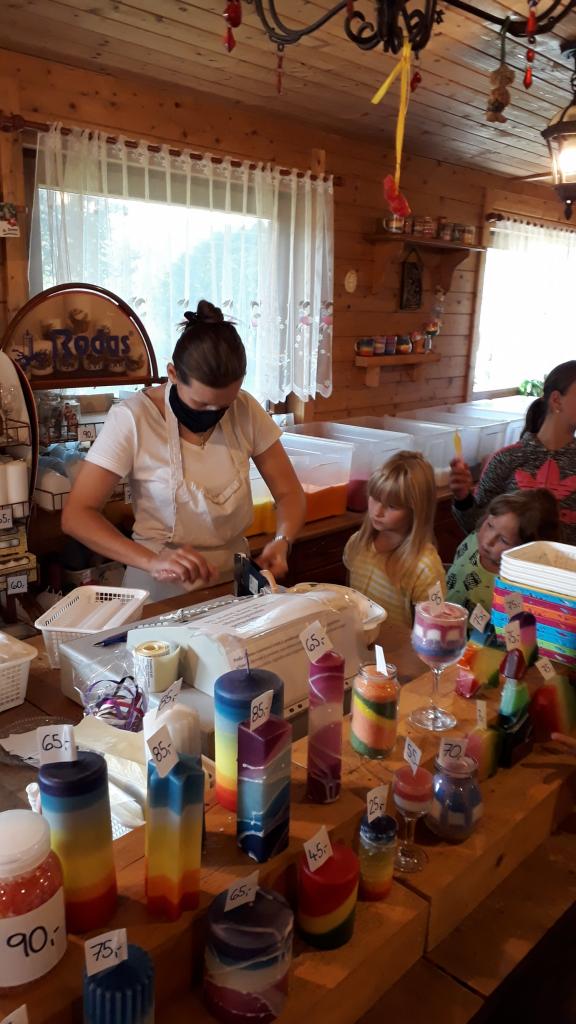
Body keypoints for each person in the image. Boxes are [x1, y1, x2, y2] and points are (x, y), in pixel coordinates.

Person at [62, 300, 306, 600]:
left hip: (231, 580)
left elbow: (289, 493)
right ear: (173, 374)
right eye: (201, 404)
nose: (214, 414)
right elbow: (77, 515)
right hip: (158, 583)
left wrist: (282, 539)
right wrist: (152, 562)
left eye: (224, 405)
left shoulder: (246, 408)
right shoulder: (133, 418)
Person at [450, 361, 576, 544]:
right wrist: (463, 497)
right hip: (506, 563)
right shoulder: (506, 459)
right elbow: (475, 526)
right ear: (556, 400)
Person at [343, 451, 445, 628]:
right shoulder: (357, 543)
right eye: (375, 498)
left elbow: (435, 623)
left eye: (392, 506)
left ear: (415, 510)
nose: (377, 512)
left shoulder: (425, 567)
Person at [446, 488, 560, 619]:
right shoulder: (472, 541)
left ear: (527, 551)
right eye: (489, 525)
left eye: (504, 540)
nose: (488, 541)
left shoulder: (516, 590)